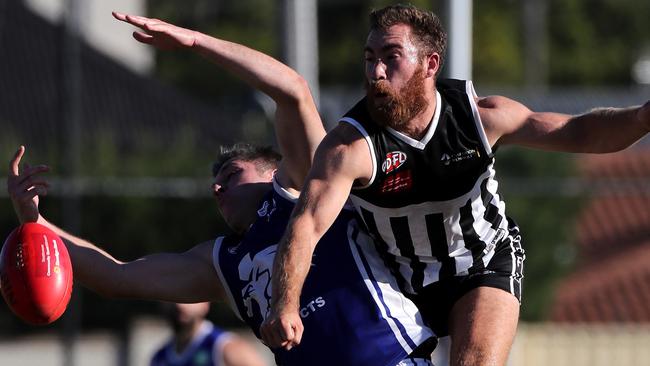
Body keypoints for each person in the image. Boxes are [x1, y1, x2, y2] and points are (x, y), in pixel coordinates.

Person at [5, 12, 437, 366]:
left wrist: (195, 42)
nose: (216, 186)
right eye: (215, 182)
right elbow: (117, 276)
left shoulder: (306, 186)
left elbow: (293, 92)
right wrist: (35, 223)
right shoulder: (222, 263)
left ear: (273, 171)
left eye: (230, 174)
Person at [261, 4, 650, 366]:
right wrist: (285, 303)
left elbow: (577, 131)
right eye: (369, 58)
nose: (376, 71)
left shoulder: (478, 118)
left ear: (430, 64)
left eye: (391, 56)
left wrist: (643, 117)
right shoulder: (350, 147)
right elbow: (306, 225)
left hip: (482, 262)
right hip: (397, 280)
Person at [151, 302, 262, 366]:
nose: (180, 305)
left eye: (187, 297)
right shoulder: (159, 358)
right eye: (172, 297)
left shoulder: (226, 348)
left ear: (205, 304)